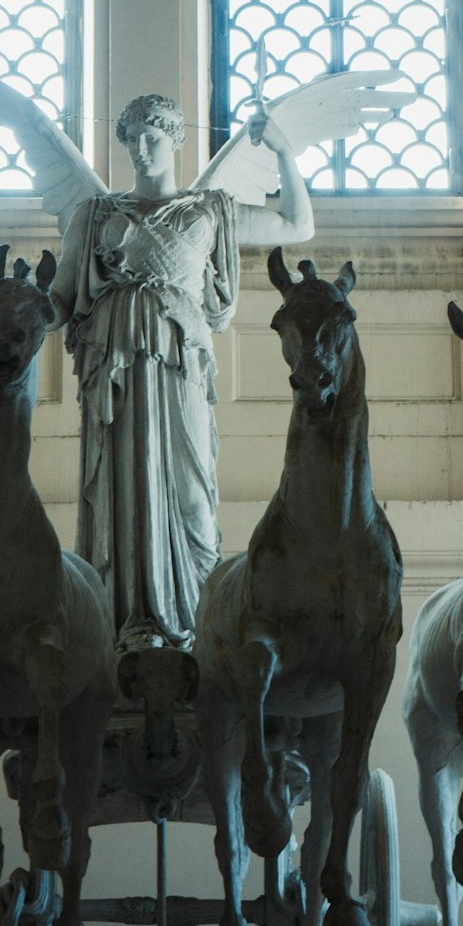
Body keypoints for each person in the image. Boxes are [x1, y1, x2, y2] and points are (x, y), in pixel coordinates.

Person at [47, 93, 314, 649]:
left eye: (154, 138)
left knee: (192, 489)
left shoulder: (210, 210)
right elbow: (59, 299)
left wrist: (285, 153)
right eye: (133, 139)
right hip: (113, 366)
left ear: (175, 140)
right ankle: (123, 623)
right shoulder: (93, 216)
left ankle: (193, 624)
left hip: (181, 363)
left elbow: (296, 224)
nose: (142, 150)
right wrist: (7, 310)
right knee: (119, 489)